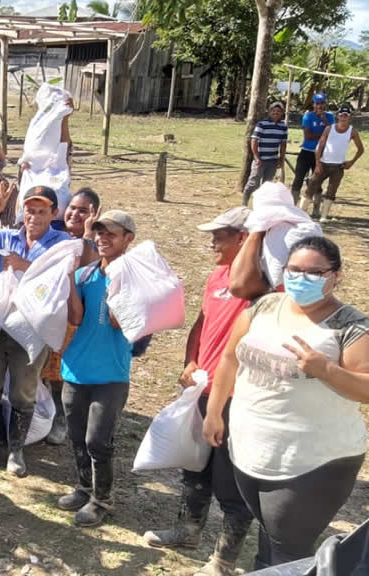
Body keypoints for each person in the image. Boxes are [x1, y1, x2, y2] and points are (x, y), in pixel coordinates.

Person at [203, 235, 369, 569]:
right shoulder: (264, 306)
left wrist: (326, 370)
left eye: (314, 273)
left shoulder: (350, 327)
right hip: (252, 449)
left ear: (336, 275)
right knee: (269, 536)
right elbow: (231, 358)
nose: (300, 278)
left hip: (312, 462)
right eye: (294, 270)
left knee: (287, 550)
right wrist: (214, 411)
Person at [143, 207, 254, 576]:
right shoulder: (215, 277)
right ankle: (188, 532)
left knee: (229, 479)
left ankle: (224, 561)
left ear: (244, 238)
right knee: (195, 465)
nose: (211, 243)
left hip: (238, 395)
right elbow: (201, 324)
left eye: (219, 236)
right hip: (204, 386)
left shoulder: (263, 284)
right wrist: (189, 361)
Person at [0, 183, 72, 473]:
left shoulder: (60, 242)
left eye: (41, 211)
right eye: (29, 210)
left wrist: (25, 265)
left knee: (23, 390)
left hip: (32, 328)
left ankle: (16, 450)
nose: (34, 217)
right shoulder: (6, 236)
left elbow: (64, 273)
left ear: (53, 213)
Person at [55, 210, 136, 527]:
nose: (103, 239)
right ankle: (83, 487)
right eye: (99, 233)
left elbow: (118, 321)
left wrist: (116, 280)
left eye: (111, 234)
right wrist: (70, 279)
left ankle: (102, 499)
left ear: (128, 239)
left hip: (111, 373)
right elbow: (76, 318)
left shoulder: (133, 276)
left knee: (98, 440)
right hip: (77, 367)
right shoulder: (87, 274)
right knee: (76, 435)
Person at [40, 187, 102, 445]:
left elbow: (85, 271)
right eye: (73, 208)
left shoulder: (98, 241)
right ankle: (43, 413)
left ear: (94, 215)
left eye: (84, 210)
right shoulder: (55, 235)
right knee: (44, 367)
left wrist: (88, 236)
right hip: (50, 312)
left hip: (76, 318)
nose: (75, 213)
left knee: (62, 371)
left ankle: (62, 419)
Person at [305, 103, 363, 221]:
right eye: (341, 115)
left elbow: (361, 149)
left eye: (346, 115)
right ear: (338, 116)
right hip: (323, 163)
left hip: (338, 167)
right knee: (311, 186)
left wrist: (351, 162)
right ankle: (301, 212)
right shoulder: (329, 128)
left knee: (331, 191)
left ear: (350, 117)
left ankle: (324, 216)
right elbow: (319, 146)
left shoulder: (352, 132)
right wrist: (317, 163)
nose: (343, 117)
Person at [290, 93, 333, 205]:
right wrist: (324, 135)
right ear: (314, 104)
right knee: (298, 179)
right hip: (306, 152)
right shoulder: (308, 116)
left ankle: (316, 208)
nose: (320, 106)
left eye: (322, 103)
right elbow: (308, 136)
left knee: (317, 182)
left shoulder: (329, 117)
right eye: (317, 103)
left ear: (325, 103)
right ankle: (293, 205)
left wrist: (324, 120)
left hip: (321, 154)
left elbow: (333, 134)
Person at [242, 102, 289, 206]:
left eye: (278, 111)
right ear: (269, 112)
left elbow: (283, 144)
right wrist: (257, 157)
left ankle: (261, 204)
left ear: (281, 113)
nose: (275, 113)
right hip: (261, 159)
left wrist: (281, 160)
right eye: (273, 111)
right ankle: (244, 202)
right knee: (254, 182)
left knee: (267, 184)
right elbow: (254, 141)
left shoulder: (283, 126)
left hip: (272, 159)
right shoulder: (262, 124)